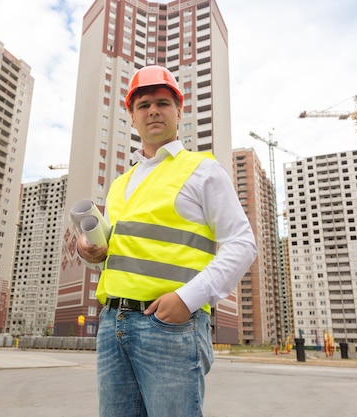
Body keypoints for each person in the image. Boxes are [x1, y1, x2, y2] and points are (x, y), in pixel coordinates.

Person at [76, 65, 257, 417]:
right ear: (131, 116)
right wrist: (90, 251)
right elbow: (115, 252)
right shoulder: (121, 184)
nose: (153, 111)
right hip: (113, 322)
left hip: (170, 324)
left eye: (162, 102)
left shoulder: (202, 170)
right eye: (143, 105)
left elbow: (242, 243)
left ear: (179, 110)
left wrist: (188, 299)